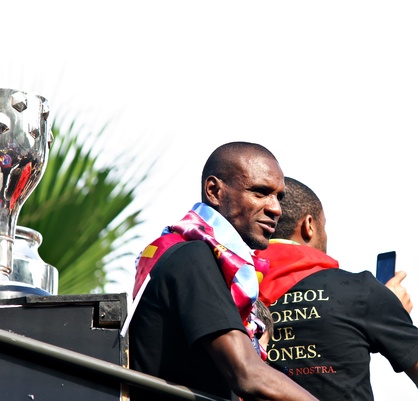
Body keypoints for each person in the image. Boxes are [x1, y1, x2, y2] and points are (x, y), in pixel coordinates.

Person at [127, 143, 318, 400]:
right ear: (214, 191)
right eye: (261, 192)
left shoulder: (199, 255)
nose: (276, 209)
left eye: (279, 197)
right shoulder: (191, 256)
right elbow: (247, 374)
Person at [256, 177, 418, 400]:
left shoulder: (229, 285)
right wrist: (389, 308)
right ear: (309, 226)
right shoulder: (360, 291)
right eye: (324, 226)